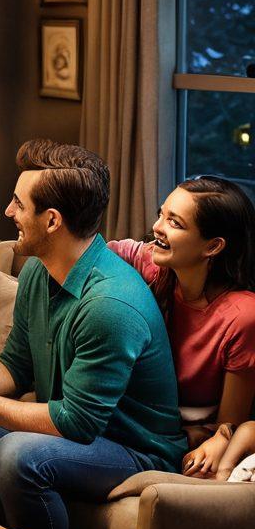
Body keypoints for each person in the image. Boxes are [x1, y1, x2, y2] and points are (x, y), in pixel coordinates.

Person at [0, 139, 185, 529]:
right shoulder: (38, 270)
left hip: (134, 450)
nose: (8, 212)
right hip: (81, 430)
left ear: (52, 220)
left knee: (20, 454)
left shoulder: (109, 305)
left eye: (18, 204)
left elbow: (76, 424)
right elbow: (14, 369)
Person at [108, 176, 255, 477]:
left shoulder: (242, 316)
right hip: (140, 418)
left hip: (183, 437)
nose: (157, 227)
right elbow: (90, 252)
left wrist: (217, 438)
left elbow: (229, 423)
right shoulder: (153, 264)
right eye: (161, 214)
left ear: (213, 246)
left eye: (175, 223)